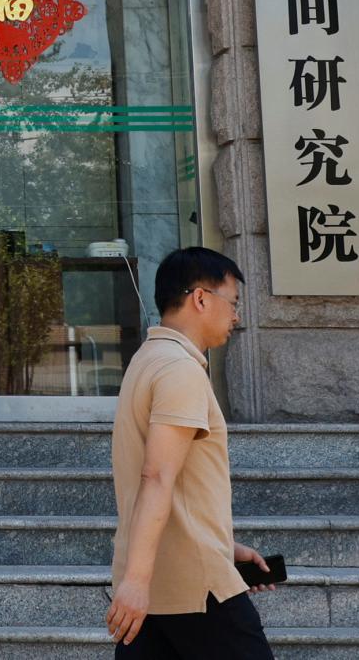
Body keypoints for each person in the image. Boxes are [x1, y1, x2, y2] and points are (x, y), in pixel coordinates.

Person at [107, 245, 277, 658]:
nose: (236, 316)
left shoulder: (147, 360)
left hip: (158, 590)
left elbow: (174, 483)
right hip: (196, 590)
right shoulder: (178, 370)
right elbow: (158, 476)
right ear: (201, 298)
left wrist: (223, 546)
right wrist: (136, 582)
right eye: (232, 303)